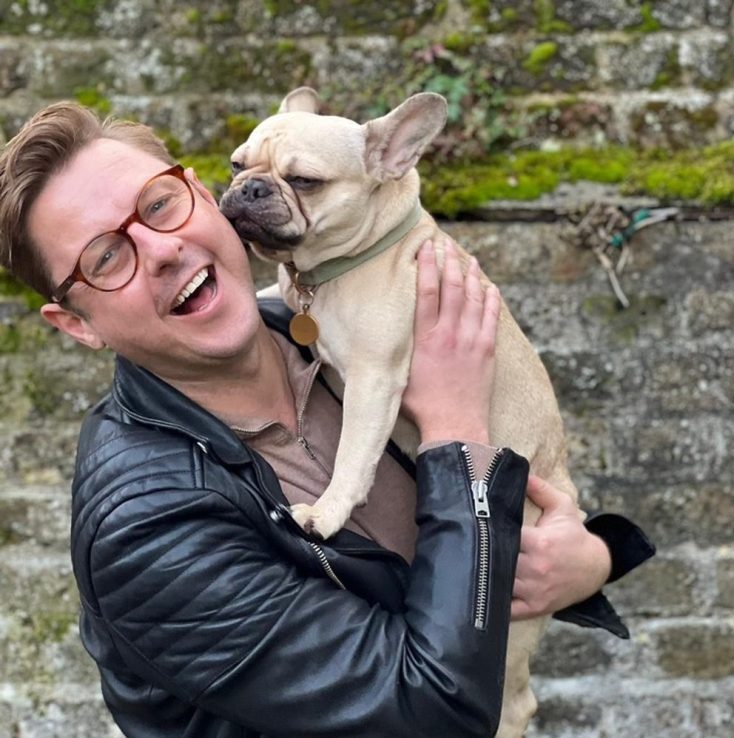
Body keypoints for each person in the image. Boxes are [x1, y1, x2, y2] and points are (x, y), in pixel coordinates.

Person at [0, 103, 654, 738]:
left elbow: (480, 537)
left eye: (159, 205)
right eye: (106, 258)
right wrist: (454, 426)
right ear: (78, 326)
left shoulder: (329, 327)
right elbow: (429, 715)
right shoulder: (144, 529)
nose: (163, 250)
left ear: (202, 193)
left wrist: (587, 560)